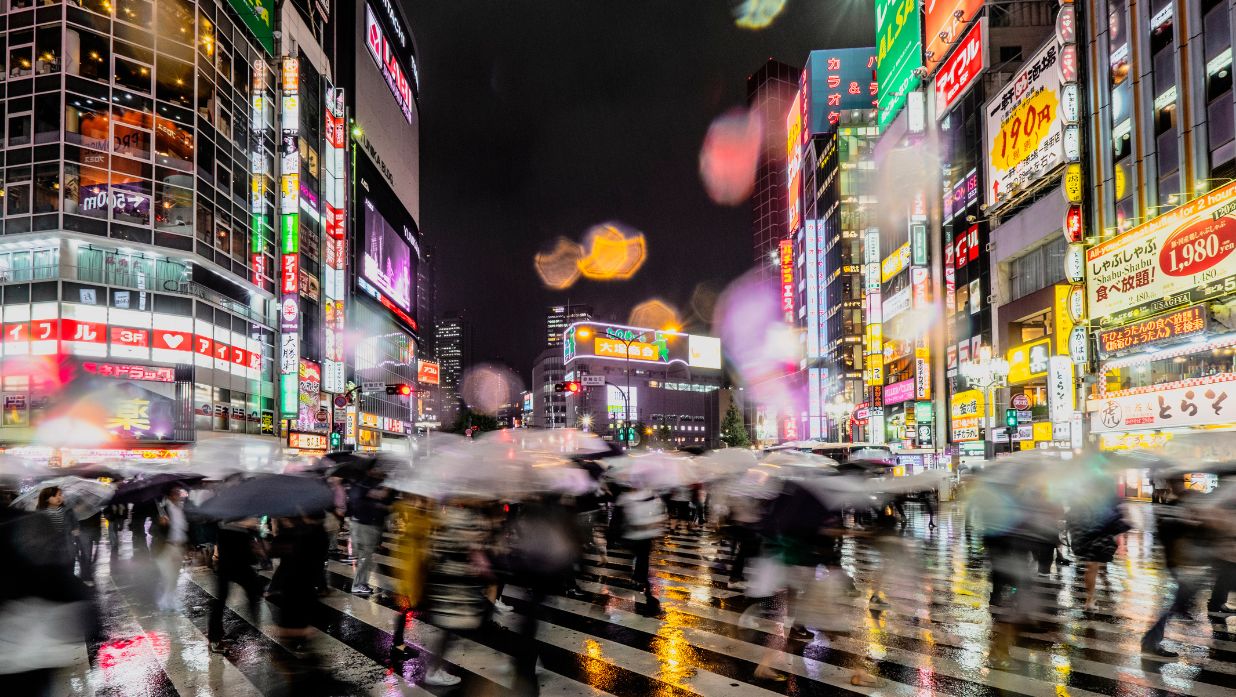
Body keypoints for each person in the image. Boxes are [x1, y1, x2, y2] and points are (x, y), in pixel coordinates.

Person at [1141, 477, 1203, 657]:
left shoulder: (1176, 505)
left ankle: (1182, 610)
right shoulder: (1175, 507)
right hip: (1181, 564)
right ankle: (1150, 642)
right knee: (1172, 604)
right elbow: (1171, 536)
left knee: (1176, 602)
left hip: (1184, 563)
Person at [1065, 474, 1127, 612]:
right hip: (1096, 535)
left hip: (1090, 535)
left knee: (1091, 566)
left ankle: (1090, 598)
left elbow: (1071, 515)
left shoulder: (1082, 496)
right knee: (1093, 565)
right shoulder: (1105, 498)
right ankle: (1089, 599)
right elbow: (1116, 515)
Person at [207, 518, 267, 653]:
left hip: (242, 560)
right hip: (229, 558)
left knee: (254, 591)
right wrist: (243, 523)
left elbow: (250, 533)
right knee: (221, 598)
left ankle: (255, 629)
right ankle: (214, 638)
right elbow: (219, 526)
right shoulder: (227, 508)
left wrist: (253, 531)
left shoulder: (243, 507)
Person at [613, 484, 665, 615]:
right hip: (636, 536)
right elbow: (619, 518)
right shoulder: (629, 497)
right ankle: (647, 596)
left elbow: (659, 514)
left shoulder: (645, 496)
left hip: (642, 537)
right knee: (642, 560)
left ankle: (642, 586)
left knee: (642, 560)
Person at [347, 464, 391, 596]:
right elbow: (357, 501)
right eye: (377, 468)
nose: (380, 470)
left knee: (366, 556)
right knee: (365, 557)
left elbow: (385, 498)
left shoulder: (375, 482)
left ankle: (361, 583)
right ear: (370, 470)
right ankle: (358, 584)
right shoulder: (362, 483)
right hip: (364, 525)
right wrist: (376, 500)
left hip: (370, 524)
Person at [152, 487, 189, 612]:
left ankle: (169, 600)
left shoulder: (181, 509)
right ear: (168, 496)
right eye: (175, 493)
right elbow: (152, 530)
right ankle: (163, 603)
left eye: (178, 492)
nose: (178, 495)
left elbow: (185, 528)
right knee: (168, 576)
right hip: (166, 547)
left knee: (175, 576)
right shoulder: (162, 510)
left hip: (179, 546)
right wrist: (160, 524)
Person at [35, 487, 77, 576]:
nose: (59, 498)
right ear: (46, 499)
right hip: (49, 549)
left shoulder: (68, 510)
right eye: (55, 496)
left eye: (60, 495)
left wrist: (75, 530)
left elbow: (75, 523)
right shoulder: (40, 513)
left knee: (68, 572)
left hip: (67, 547)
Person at [77, 511, 102, 586]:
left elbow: (98, 519)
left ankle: (85, 574)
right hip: (84, 530)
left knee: (87, 554)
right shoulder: (81, 503)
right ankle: (86, 577)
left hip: (93, 529)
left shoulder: (95, 506)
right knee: (86, 554)